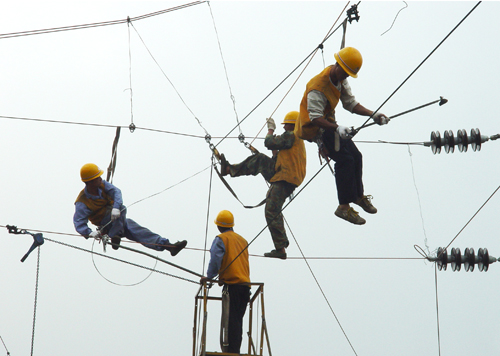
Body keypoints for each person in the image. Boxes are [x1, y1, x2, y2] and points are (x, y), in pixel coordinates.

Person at [297, 46, 389, 225]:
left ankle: (358, 196)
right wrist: (337, 128)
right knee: (345, 161)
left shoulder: (341, 79)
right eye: (345, 73)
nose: (346, 77)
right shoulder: (317, 87)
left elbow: (350, 104)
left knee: (356, 156)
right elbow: (315, 118)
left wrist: (373, 114)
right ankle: (343, 208)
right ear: (337, 66)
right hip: (316, 129)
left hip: (330, 124)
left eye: (349, 74)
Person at [218, 111, 306, 260]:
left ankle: (280, 248)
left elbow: (269, 142)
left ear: (292, 124)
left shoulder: (292, 135)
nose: (284, 128)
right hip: (284, 175)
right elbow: (277, 155)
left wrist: (270, 131)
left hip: (285, 178)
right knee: (259, 159)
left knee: (272, 210)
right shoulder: (294, 140)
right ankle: (229, 169)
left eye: (286, 126)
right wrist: (274, 151)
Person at [73, 163, 187, 255]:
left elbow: (116, 192)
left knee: (140, 231)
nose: (101, 178)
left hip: (118, 220)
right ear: (91, 182)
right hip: (106, 224)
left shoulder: (103, 185)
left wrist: (115, 208)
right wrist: (89, 233)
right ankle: (114, 235)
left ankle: (168, 246)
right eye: (98, 177)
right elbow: (79, 223)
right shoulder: (82, 202)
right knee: (122, 209)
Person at [200, 210, 251, 355]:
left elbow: (216, 259)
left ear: (218, 226)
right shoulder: (242, 240)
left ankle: (232, 352)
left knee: (231, 321)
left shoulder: (221, 239)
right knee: (238, 320)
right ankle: (235, 350)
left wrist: (209, 277)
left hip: (232, 287)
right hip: (245, 287)